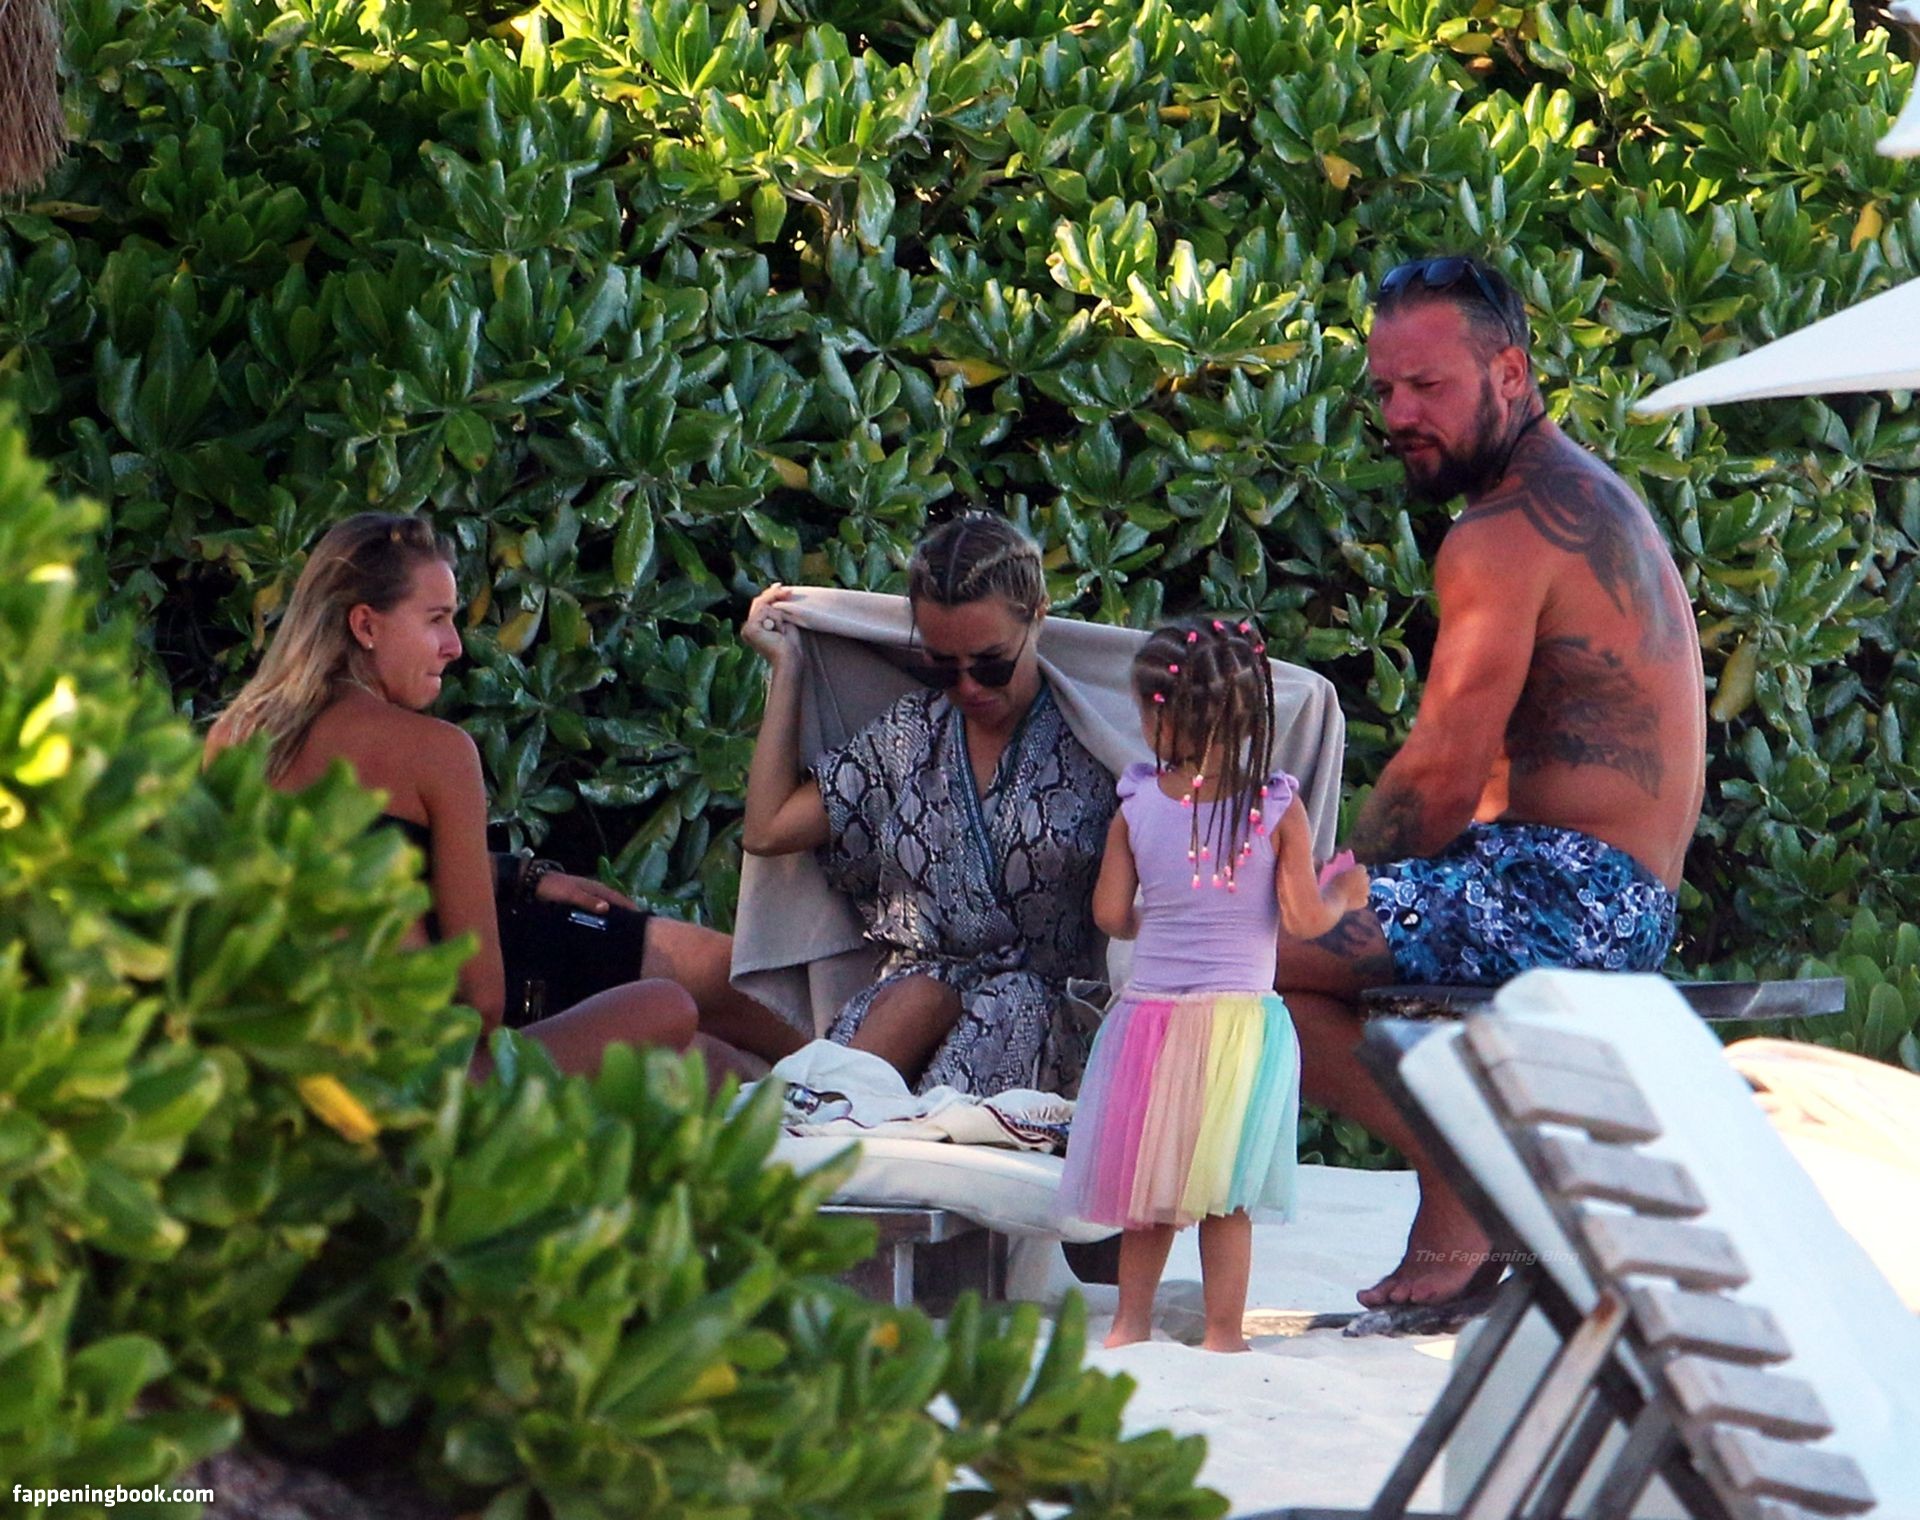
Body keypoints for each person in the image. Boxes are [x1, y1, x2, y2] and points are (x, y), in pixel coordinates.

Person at [1278, 254, 1707, 1311]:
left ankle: (1464, 1173)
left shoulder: (1503, 534)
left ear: (1509, 373)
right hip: (1610, 897)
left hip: (1565, 895)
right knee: (1267, 935)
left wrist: (1326, 888)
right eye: (1385, 389)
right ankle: (1463, 1194)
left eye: (1428, 385)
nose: (1399, 414)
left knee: (1236, 952)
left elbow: (1438, 777)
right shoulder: (1584, 492)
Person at [205, 513, 793, 1080]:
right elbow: (482, 1002)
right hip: (429, 1076)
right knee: (669, 1010)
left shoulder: (233, 737)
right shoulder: (435, 752)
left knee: (702, 1052)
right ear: (366, 626)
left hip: (295, 1061)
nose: (454, 646)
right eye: (436, 619)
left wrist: (517, 875)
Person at [1057, 616, 1363, 1351]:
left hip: (1150, 1024)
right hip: (1239, 1029)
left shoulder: (1135, 807)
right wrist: (1343, 893)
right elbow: (1302, 918)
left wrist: (1155, 915)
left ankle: (1130, 1324)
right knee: (1227, 1196)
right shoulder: (1277, 809)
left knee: (1150, 1192)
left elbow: (1110, 916)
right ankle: (1224, 1334)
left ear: (1157, 716)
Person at [739, 513, 1117, 1096]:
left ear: (1039, 614)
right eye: (943, 667)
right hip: (903, 1017)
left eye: (991, 663)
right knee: (915, 1000)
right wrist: (787, 669)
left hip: (1038, 1033)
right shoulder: (909, 735)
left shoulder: (1098, 743)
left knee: (1000, 1004)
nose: (969, 688)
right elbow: (768, 829)